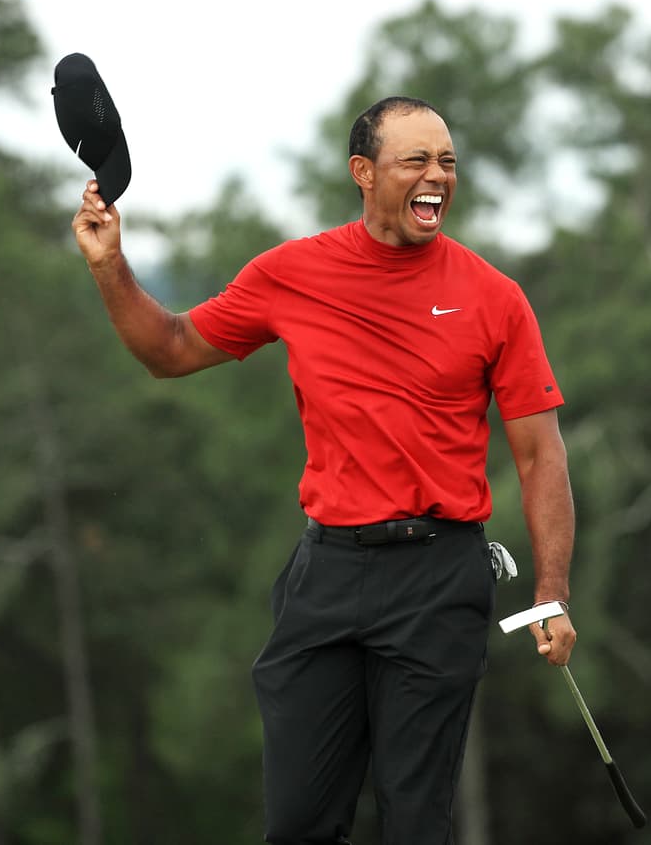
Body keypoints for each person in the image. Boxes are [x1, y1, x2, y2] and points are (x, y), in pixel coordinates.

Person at [72, 96, 577, 845]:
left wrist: (550, 593)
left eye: (447, 162)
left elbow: (541, 454)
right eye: (416, 161)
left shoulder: (493, 297)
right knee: (299, 822)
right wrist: (111, 265)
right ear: (363, 173)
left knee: (414, 822)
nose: (436, 175)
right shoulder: (294, 273)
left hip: (439, 579)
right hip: (328, 574)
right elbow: (171, 349)